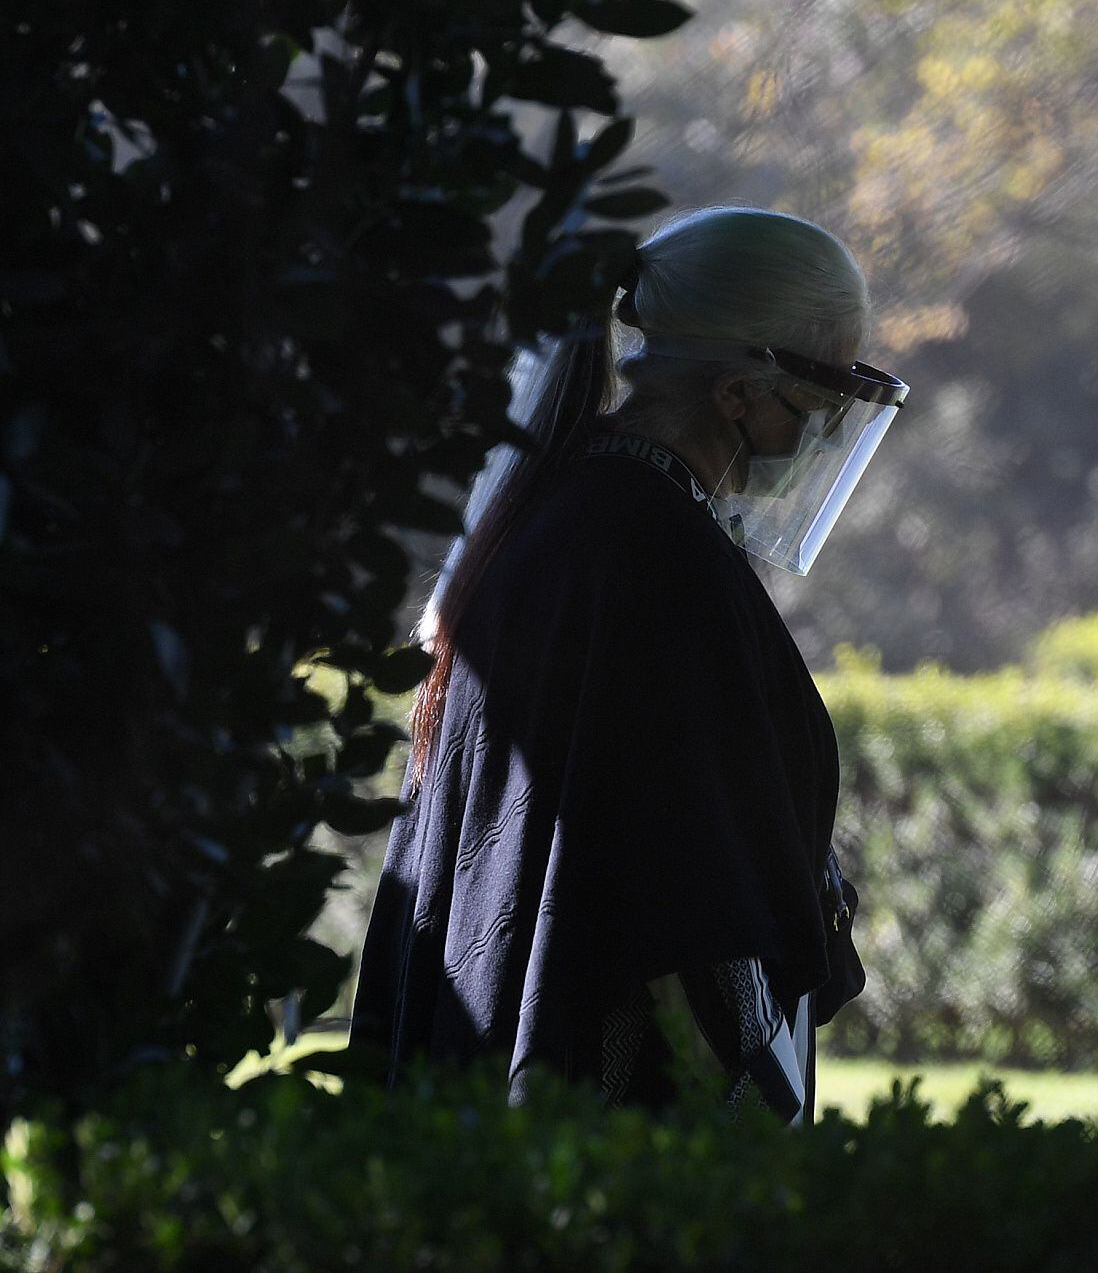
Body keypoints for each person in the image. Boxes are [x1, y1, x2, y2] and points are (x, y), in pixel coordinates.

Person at [347, 207, 905, 1123]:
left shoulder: (574, 514)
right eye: (829, 390)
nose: (832, 421)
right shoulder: (651, 555)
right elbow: (687, 895)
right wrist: (741, 1121)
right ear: (738, 391)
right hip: (605, 1126)